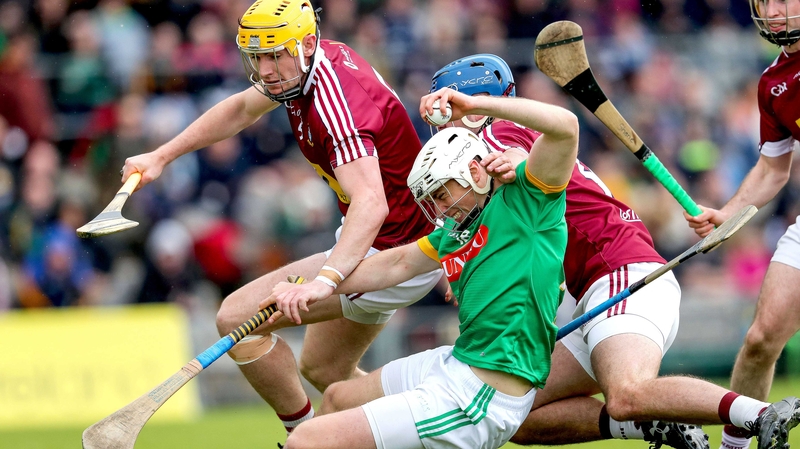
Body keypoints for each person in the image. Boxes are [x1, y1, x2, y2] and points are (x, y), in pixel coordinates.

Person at [120, 0, 442, 435]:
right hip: (385, 237)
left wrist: (324, 281)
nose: (266, 70)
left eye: (275, 56)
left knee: (234, 317)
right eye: (258, 57)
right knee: (326, 372)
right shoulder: (307, 66)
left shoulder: (335, 103)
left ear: (306, 44)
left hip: (389, 250)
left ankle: (304, 437)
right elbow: (241, 110)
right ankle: (425, 423)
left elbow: (371, 204)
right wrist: (161, 156)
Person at [263, 88, 579, 448]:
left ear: (474, 171)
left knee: (306, 440)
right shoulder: (455, 231)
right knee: (337, 397)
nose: (441, 210)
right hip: (459, 361)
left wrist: (475, 104)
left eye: (442, 195)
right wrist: (318, 285)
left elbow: (566, 127)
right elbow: (395, 263)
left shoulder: (529, 200)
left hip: (485, 393)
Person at [684, 1, 800, 449]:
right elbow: (773, 170)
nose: (773, 10)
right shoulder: (773, 83)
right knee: (760, 339)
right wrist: (728, 212)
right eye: (765, 0)